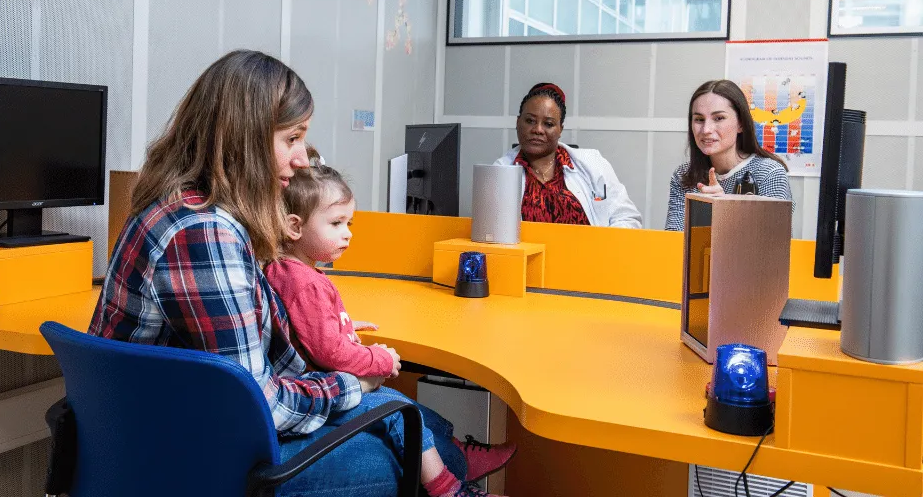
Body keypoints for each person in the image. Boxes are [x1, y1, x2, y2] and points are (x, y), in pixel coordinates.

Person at [88, 50, 467, 496]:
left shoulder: (179, 208)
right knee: (418, 451)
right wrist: (350, 384)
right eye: (292, 139)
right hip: (185, 457)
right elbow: (260, 407)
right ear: (243, 140)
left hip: (164, 429)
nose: (303, 159)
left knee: (425, 427)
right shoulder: (205, 234)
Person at [265, 163, 516, 497]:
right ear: (295, 227)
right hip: (321, 387)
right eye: (336, 223)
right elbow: (328, 352)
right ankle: (449, 489)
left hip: (311, 382)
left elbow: (301, 324)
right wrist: (377, 358)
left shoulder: (287, 269)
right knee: (401, 412)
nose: (348, 233)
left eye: (349, 223)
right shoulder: (304, 281)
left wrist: (342, 323)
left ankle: (457, 452)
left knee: (420, 412)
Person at [494, 82, 642, 228]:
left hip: (590, 251)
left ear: (560, 130)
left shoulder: (593, 163)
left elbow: (627, 218)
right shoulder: (499, 172)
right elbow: (491, 230)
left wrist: (603, 248)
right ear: (518, 122)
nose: (538, 129)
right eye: (530, 121)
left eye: (548, 124)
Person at [665, 79, 793, 232]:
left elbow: (774, 245)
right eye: (699, 119)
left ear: (740, 124)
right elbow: (675, 240)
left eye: (719, 118)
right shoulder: (684, 175)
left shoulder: (769, 173)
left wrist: (725, 211)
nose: (706, 129)